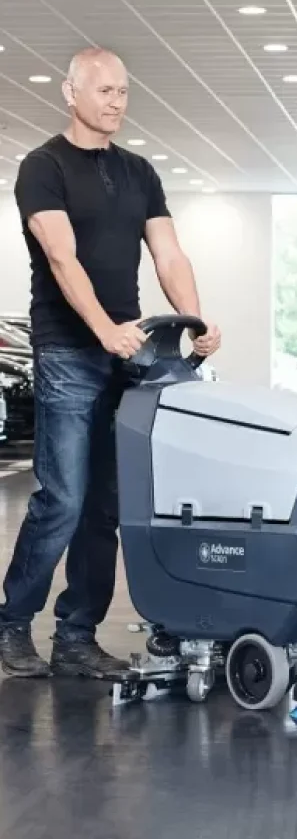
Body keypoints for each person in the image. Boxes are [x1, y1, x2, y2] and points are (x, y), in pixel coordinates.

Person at [0, 47, 221, 679]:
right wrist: (103, 330)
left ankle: (77, 635)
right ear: (71, 94)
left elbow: (169, 255)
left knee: (107, 505)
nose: (117, 102)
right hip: (70, 351)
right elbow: (62, 259)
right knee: (62, 499)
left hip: (131, 355)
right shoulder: (41, 168)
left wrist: (197, 320)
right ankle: (13, 622)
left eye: (123, 91)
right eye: (103, 91)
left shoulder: (140, 172)